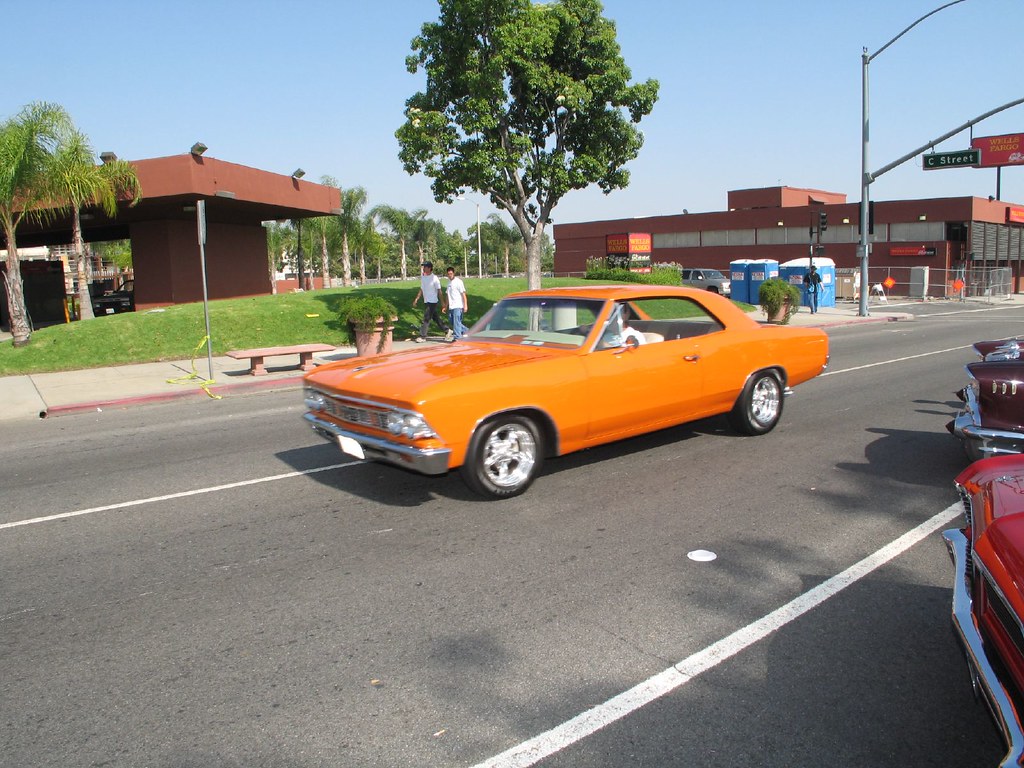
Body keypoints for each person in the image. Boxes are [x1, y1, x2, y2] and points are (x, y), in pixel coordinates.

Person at [412, 261, 454, 342]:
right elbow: (421, 289)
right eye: (423, 267)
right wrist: (416, 299)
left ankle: (423, 336)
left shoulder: (434, 278)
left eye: (425, 267)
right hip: (426, 301)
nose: (423, 268)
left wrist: (443, 303)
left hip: (433, 301)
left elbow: (439, 291)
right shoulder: (423, 277)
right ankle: (447, 330)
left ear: (430, 268)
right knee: (435, 318)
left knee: (426, 318)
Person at [444, 266, 468, 339]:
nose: (450, 275)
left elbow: (463, 294)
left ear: (453, 273)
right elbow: (448, 296)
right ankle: (468, 331)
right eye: (448, 274)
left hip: (458, 306)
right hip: (451, 306)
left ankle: (458, 338)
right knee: (453, 322)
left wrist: (465, 305)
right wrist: (445, 306)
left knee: (456, 323)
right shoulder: (449, 283)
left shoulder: (458, 282)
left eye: (451, 274)